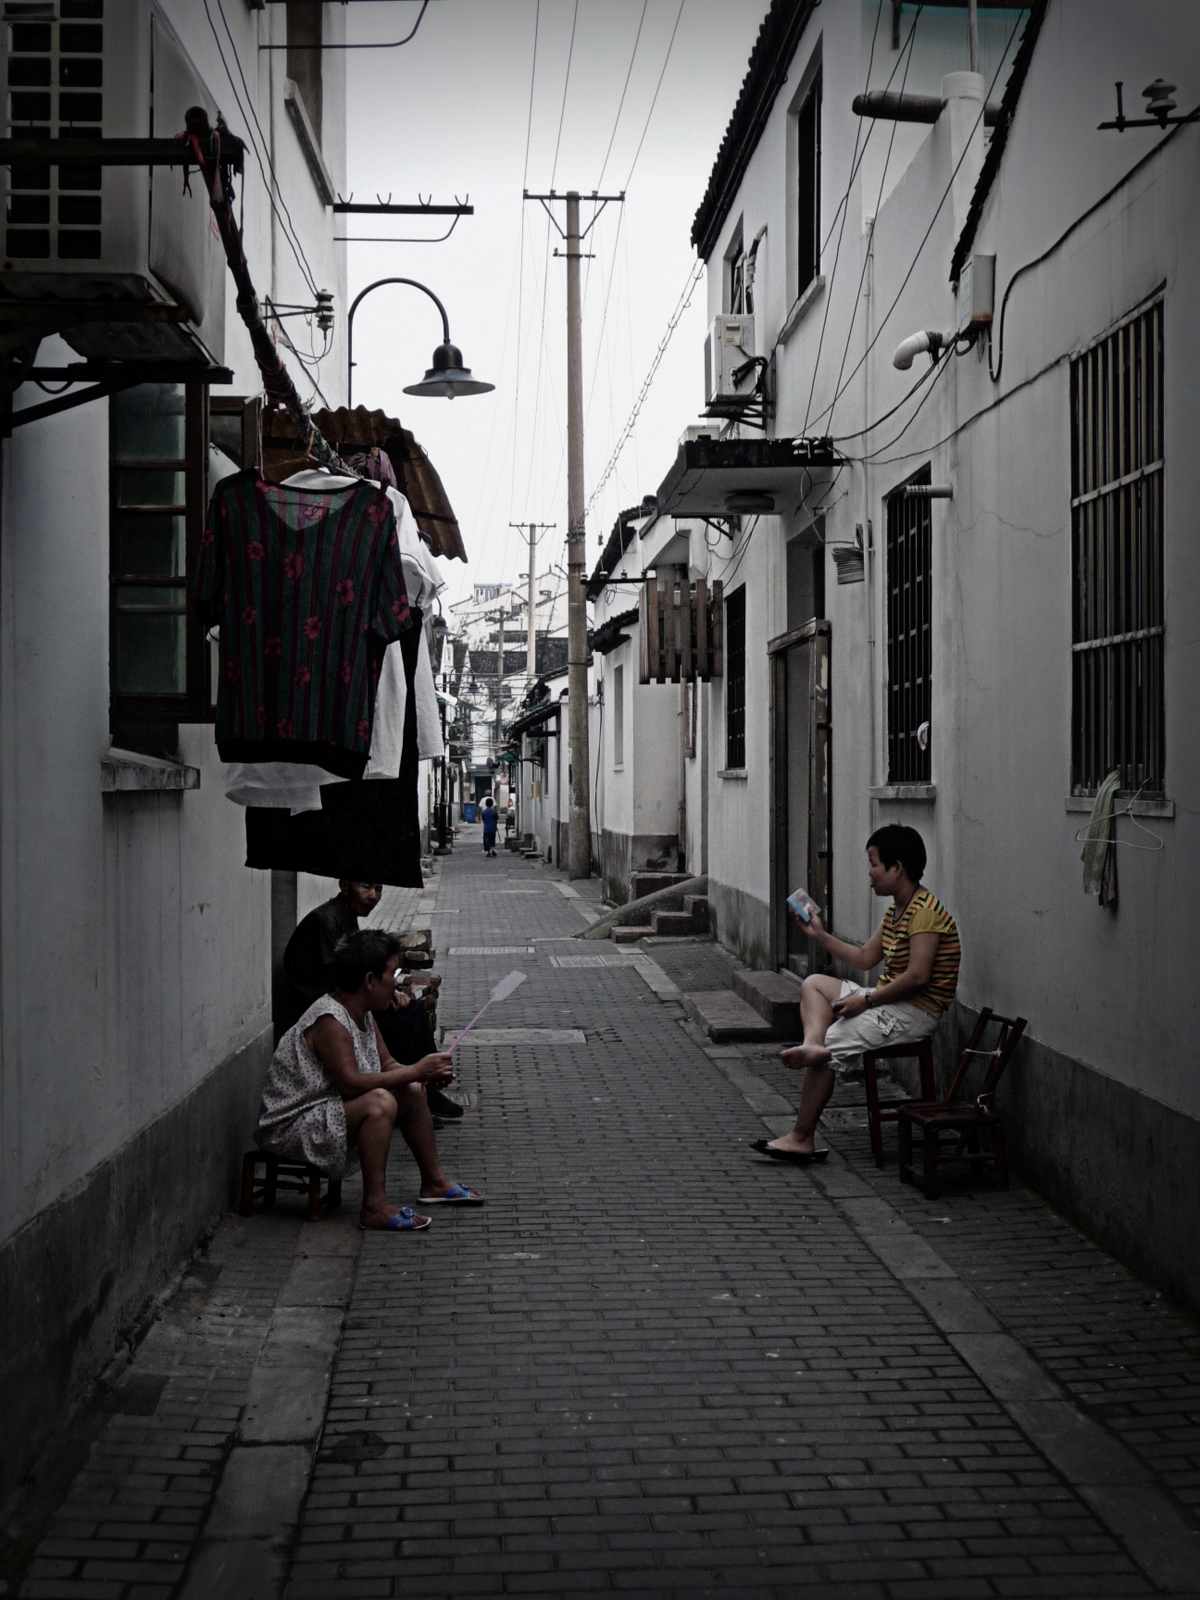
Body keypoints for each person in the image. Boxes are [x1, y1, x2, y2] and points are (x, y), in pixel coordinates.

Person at [753, 824, 960, 1164]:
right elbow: (866, 957)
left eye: (874, 864)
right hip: (889, 1002)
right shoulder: (898, 909)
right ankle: (812, 1045)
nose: (870, 874)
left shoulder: (924, 912)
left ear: (898, 868)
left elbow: (918, 976)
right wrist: (818, 936)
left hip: (914, 1012)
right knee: (814, 984)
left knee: (833, 1044)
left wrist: (866, 1000)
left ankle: (801, 1138)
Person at [256, 929, 484, 1230]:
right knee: (380, 1103)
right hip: (292, 1127)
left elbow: (388, 1064)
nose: (396, 981)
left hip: (329, 1112)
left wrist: (423, 1077)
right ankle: (374, 1206)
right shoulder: (330, 1020)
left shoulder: (361, 1012)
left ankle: (434, 1183)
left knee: (412, 1090)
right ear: (369, 980)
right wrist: (417, 1069)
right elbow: (351, 1084)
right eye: (392, 973)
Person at [281, 880, 463, 1122]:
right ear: (345, 886)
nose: (374, 896)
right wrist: (415, 1071)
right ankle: (413, 1095)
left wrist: (420, 1073)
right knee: (399, 1022)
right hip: (317, 1003)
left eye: (379, 889)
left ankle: (423, 1088)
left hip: (347, 999)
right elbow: (341, 980)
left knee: (412, 1010)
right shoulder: (325, 921)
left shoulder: (347, 916)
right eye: (366, 887)